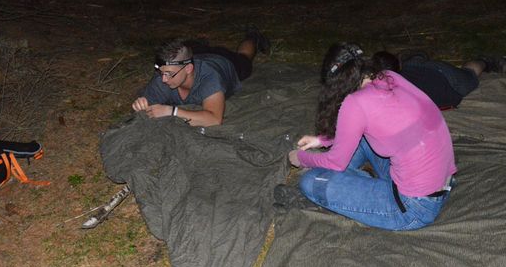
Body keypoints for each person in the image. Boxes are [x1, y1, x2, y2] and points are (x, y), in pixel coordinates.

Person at [284, 42, 456, 231]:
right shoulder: (389, 77)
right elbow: (366, 123)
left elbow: (336, 162)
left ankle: (357, 184)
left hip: (413, 208)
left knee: (310, 181)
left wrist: (301, 158)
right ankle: (356, 182)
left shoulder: (355, 103)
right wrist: (321, 140)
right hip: (441, 184)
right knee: (361, 140)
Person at [132, 28, 269, 127]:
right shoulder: (163, 77)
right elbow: (147, 110)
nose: (164, 79)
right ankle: (198, 44)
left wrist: (172, 111)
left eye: (169, 74)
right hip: (196, 54)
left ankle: (253, 36)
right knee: (188, 51)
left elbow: (214, 119)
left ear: (188, 69)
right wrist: (141, 106)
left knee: (244, 59)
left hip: (222, 61)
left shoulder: (210, 77)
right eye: (161, 72)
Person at [370, 50, 506, 110]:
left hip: (447, 81)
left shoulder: (383, 95)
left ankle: (486, 61)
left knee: (469, 73)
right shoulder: (386, 87)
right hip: (431, 73)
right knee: (468, 73)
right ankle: (415, 56)